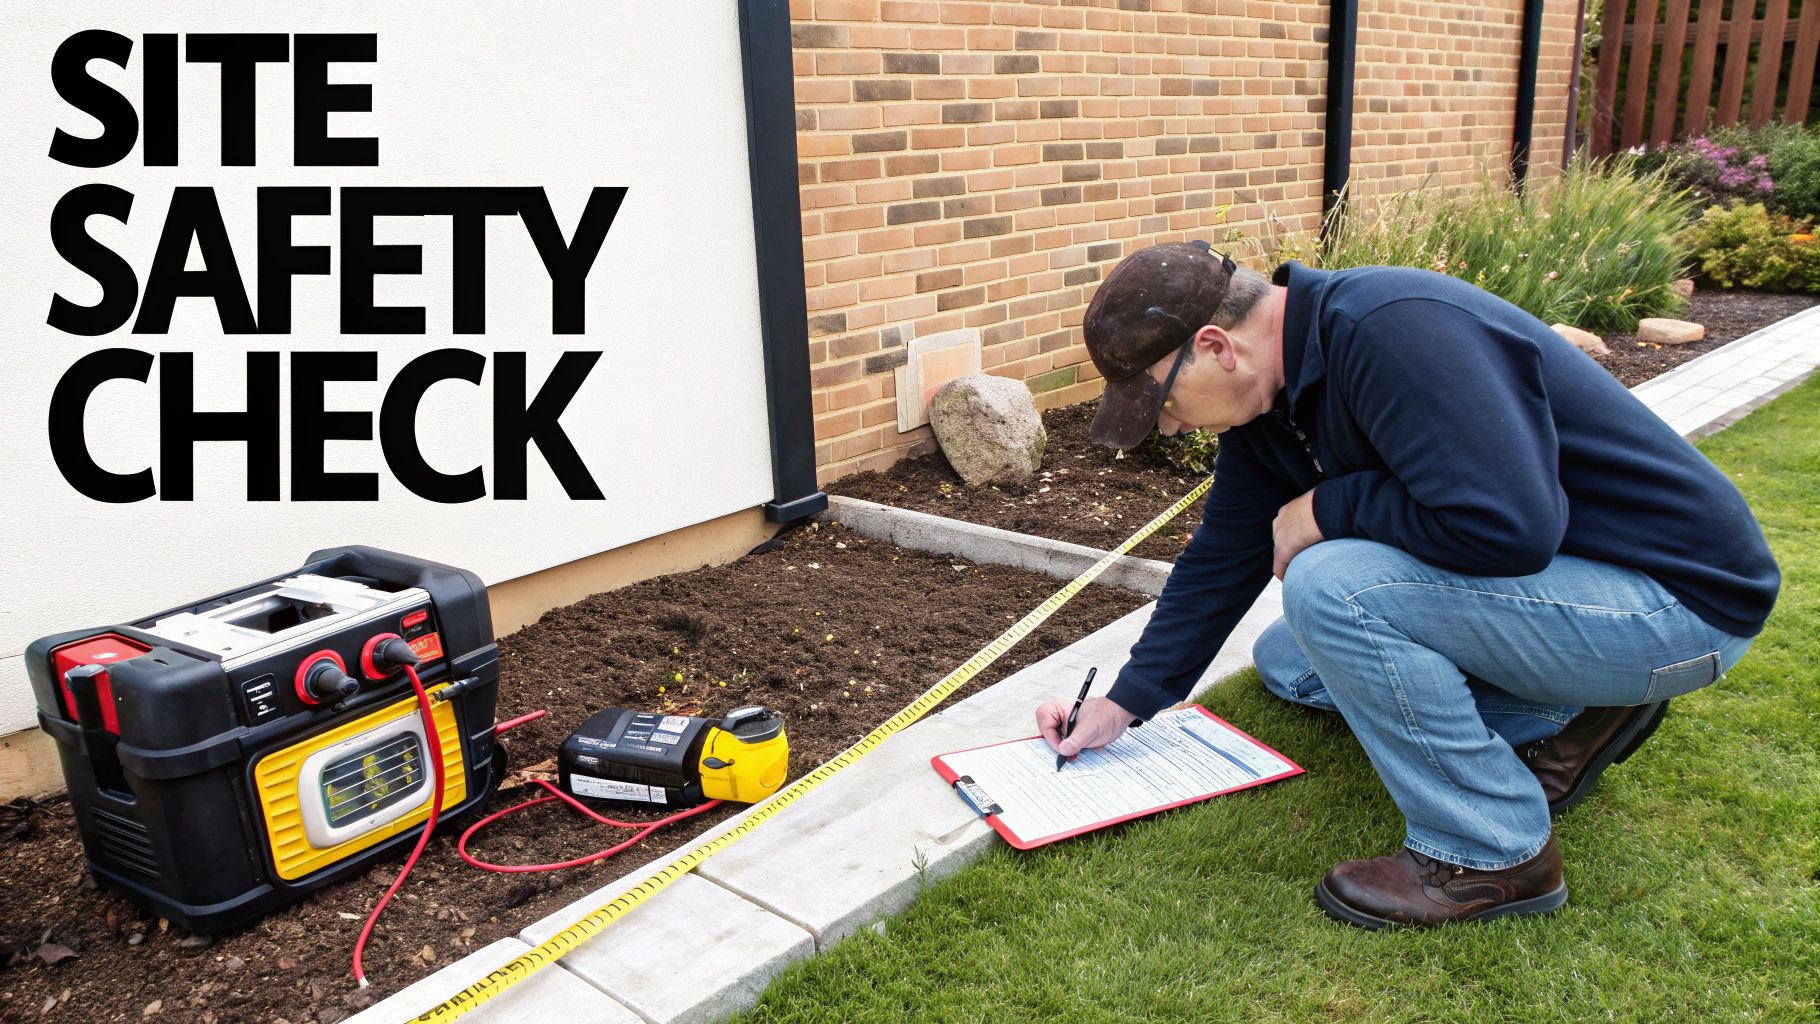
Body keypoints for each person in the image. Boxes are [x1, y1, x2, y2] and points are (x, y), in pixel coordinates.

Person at [1035, 241, 1780, 929]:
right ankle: (1576, 709)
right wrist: (1124, 702)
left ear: (1215, 347)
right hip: (1578, 598)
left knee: (1333, 586)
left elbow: (1511, 528)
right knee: (1291, 657)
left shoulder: (1395, 330)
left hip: (1675, 607)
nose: (1168, 429)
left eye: (1162, 404)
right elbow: (1220, 560)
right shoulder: (1271, 402)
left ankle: (1493, 852)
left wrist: (1327, 509)